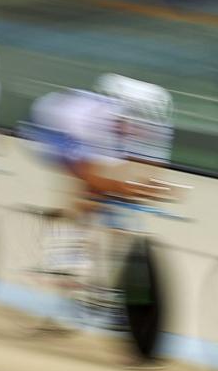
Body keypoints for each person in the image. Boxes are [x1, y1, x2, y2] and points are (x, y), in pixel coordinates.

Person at [27, 74, 175, 270]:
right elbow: (92, 172)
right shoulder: (96, 119)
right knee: (90, 188)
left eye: (143, 124)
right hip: (51, 129)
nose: (139, 129)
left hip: (94, 136)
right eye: (132, 122)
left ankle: (105, 267)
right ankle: (66, 250)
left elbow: (152, 169)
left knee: (114, 187)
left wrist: (151, 186)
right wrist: (120, 187)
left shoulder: (159, 126)